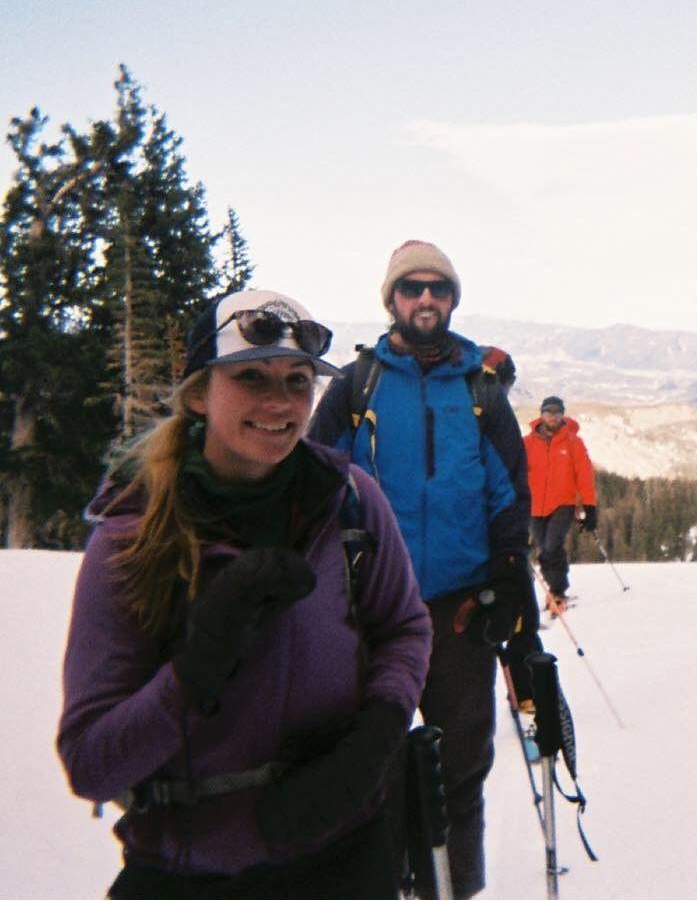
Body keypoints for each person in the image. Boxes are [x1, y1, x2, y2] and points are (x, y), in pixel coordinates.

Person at [56, 289, 432, 900]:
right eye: (251, 376)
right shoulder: (133, 536)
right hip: (192, 872)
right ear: (200, 393)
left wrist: (372, 743)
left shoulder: (349, 501)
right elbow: (92, 764)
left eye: (297, 381)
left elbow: (404, 628)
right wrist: (198, 667)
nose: (279, 403)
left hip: (346, 851)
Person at [307, 240, 536, 900]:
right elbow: (316, 482)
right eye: (413, 288)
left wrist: (507, 573)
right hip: (371, 607)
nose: (426, 298)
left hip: (459, 610)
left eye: (438, 287)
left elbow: (508, 493)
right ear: (393, 301)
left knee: (460, 766)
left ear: (452, 298)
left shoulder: (479, 388)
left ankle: (453, 889)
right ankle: (388, 882)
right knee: (371, 762)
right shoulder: (359, 386)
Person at [523, 395, 598, 615]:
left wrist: (589, 506)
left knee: (551, 546)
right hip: (534, 506)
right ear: (541, 415)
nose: (552, 417)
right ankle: (556, 585)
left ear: (562, 415)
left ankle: (557, 591)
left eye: (557, 412)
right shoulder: (528, 443)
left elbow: (584, 475)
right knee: (544, 549)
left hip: (563, 503)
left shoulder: (573, 442)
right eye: (548, 412)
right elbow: (517, 472)